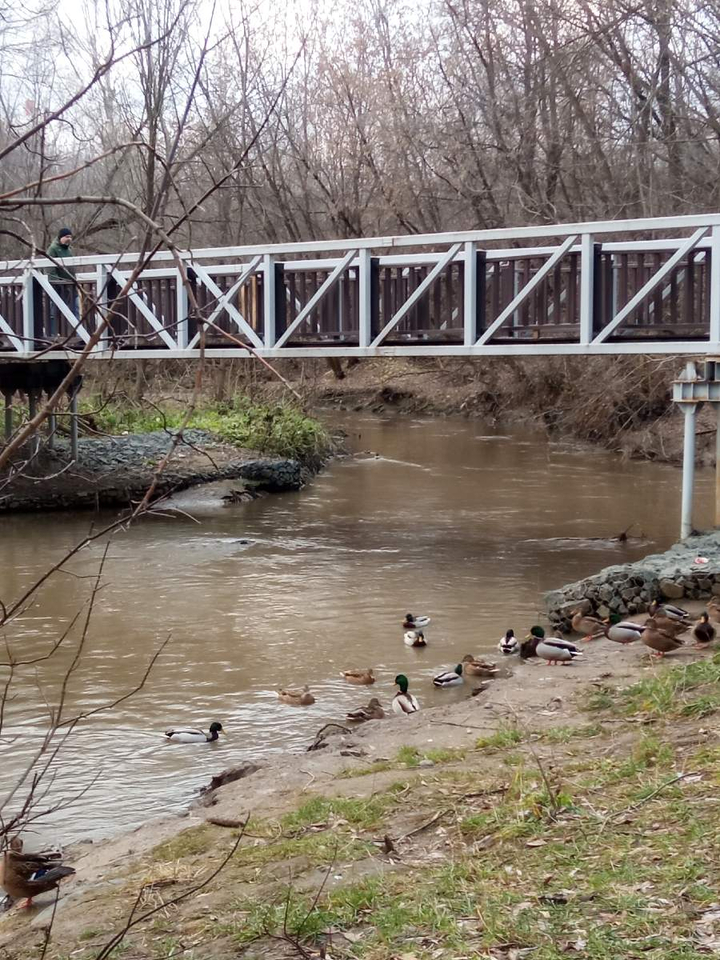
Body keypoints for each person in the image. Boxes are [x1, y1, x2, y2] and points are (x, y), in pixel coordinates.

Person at [46, 227, 78, 337]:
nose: (69, 239)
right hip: (58, 287)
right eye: (66, 237)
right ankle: (53, 334)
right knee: (54, 312)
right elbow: (50, 270)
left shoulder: (69, 250)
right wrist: (58, 282)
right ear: (60, 238)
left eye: (70, 237)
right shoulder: (53, 249)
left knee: (75, 310)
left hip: (71, 286)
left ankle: (77, 335)